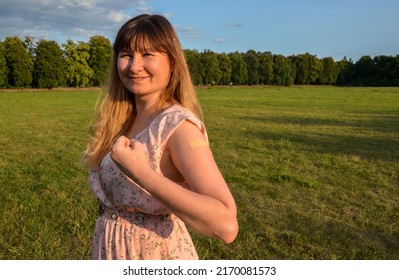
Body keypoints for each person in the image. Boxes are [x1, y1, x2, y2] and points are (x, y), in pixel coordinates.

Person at [82, 14, 238, 260]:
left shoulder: (178, 126)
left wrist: (142, 173)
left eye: (148, 54)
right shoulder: (122, 119)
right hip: (112, 249)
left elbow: (226, 225)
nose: (134, 66)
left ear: (172, 62)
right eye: (126, 55)